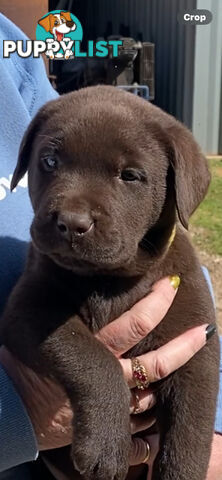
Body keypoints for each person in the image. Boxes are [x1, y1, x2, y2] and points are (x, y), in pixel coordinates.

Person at [0, 13, 221, 480]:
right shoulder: (48, 272)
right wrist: (96, 385)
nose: (74, 211)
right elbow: (26, 320)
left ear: (175, 191)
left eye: (129, 176)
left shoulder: (10, 55)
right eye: (52, 161)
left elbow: (199, 368)